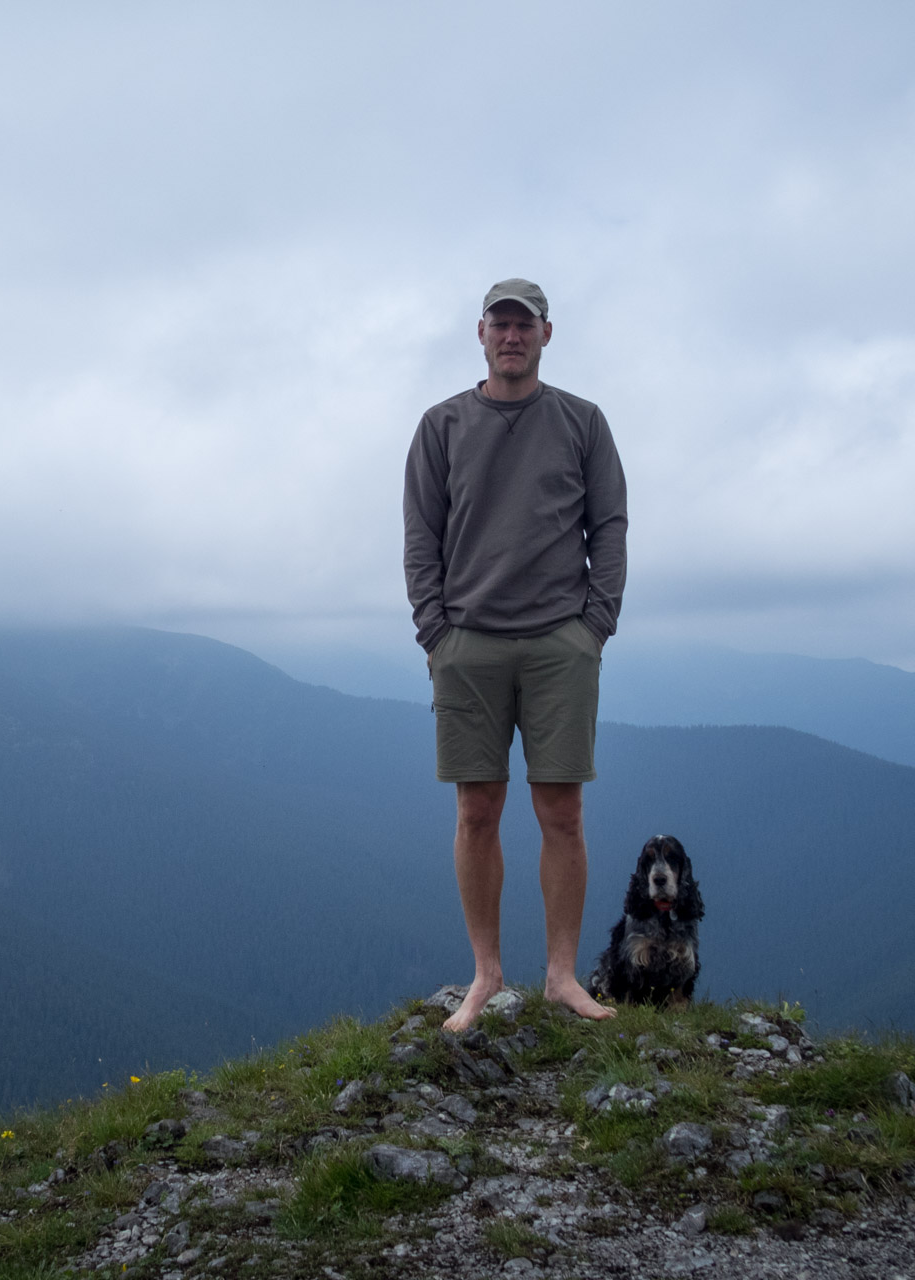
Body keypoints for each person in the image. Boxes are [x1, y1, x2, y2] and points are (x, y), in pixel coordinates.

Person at [403, 278, 628, 1029]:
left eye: (524, 325)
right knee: (477, 811)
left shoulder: (582, 422)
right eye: (500, 324)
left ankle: (562, 976)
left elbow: (611, 527)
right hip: (468, 642)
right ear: (480, 333)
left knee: (561, 810)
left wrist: (595, 626)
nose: (511, 337)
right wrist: (435, 634)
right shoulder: (441, 426)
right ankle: (486, 975)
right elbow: (420, 535)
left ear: (546, 334)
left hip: (560, 640)